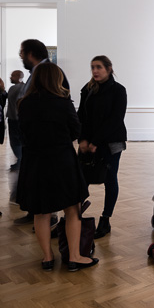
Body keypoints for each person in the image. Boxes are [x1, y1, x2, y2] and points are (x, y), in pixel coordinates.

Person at [16, 62, 98, 271]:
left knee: (41, 211)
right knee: (72, 209)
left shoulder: (23, 104)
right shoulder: (62, 103)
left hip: (34, 162)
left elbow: (22, 133)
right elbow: (75, 131)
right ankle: (74, 257)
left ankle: (47, 258)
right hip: (61, 160)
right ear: (57, 79)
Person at [15, 39, 69, 225]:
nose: (20, 56)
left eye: (22, 52)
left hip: (47, 143)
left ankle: (48, 217)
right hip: (35, 141)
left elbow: (62, 103)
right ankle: (36, 213)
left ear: (30, 54)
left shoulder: (51, 72)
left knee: (46, 180)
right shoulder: (35, 72)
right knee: (36, 180)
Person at [78, 55, 127, 239]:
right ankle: (73, 218)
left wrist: (96, 142)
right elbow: (81, 116)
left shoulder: (118, 90)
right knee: (80, 179)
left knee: (109, 179)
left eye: (99, 67)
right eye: (92, 67)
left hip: (110, 143)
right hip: (89, 143)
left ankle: (105, 220)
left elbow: (115, 119)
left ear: (108, 68)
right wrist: (82, 139)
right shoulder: (88, 89)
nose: (95, 71)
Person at [6, 71, 25, 171]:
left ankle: (21, 161)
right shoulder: (13, 88)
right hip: (14, 119)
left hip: (16, 119)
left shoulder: (19, 88)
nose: (10, 77)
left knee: (16, 141)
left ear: (18, 76)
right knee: (16, 141)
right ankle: (20, 161)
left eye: (12, 75)